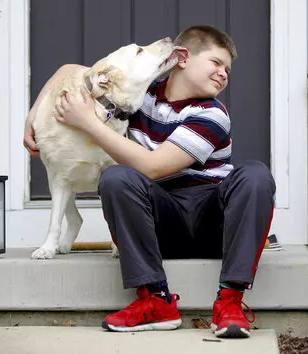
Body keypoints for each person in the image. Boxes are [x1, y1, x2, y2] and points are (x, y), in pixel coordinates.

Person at [24, 25, 276, 339]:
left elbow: (154, 167)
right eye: (215, 63)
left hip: (216, 224)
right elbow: (70, 70)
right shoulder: (139, 96)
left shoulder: (212, 114)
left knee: (255, 174)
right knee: (116, 177)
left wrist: (89, 123)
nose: (223, 73)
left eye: (227, 69)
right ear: (182, 58)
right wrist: (33, 115)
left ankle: (230, 302)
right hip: (160, 225)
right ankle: (156, 300)